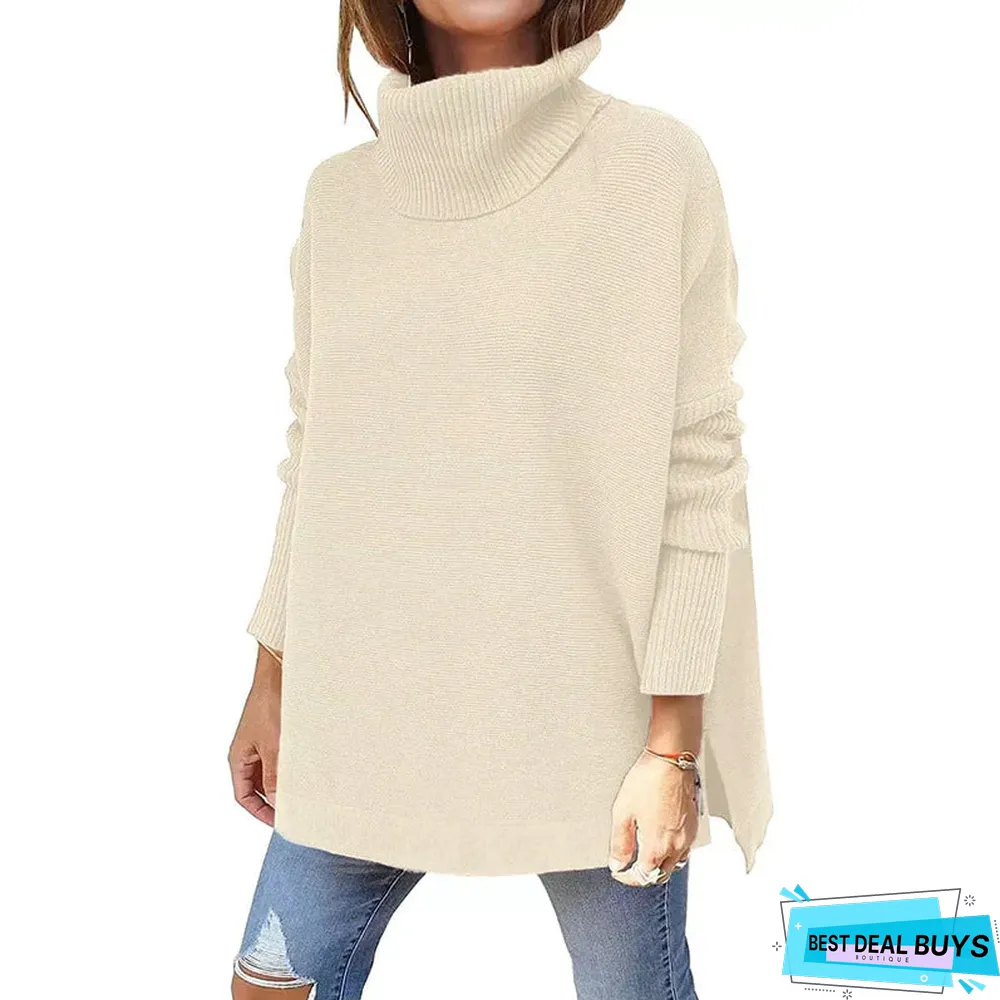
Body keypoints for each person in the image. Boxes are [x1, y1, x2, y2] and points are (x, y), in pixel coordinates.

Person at [228, 2, 773, 998]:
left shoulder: (654, 168)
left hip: (589, 722)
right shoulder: (339, 199)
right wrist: (272, 671)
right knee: (269, 983)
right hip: (362, 704)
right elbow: (318, 452)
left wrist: (673, 747)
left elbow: (698, 468)